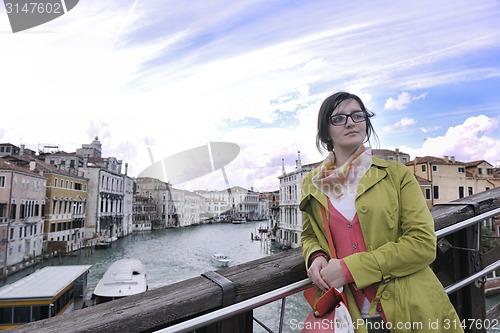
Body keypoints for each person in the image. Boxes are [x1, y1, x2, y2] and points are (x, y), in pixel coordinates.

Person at [300, 91, 464, 333]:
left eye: (358, 115)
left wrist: (348, 269)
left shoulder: (397, 174)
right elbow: (310, 235)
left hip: (412, 308)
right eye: (338, 118)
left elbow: (423, 244)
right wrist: (315, 256)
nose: (350, 122)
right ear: (325, 131)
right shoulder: (312, 184)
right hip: (349, 314)